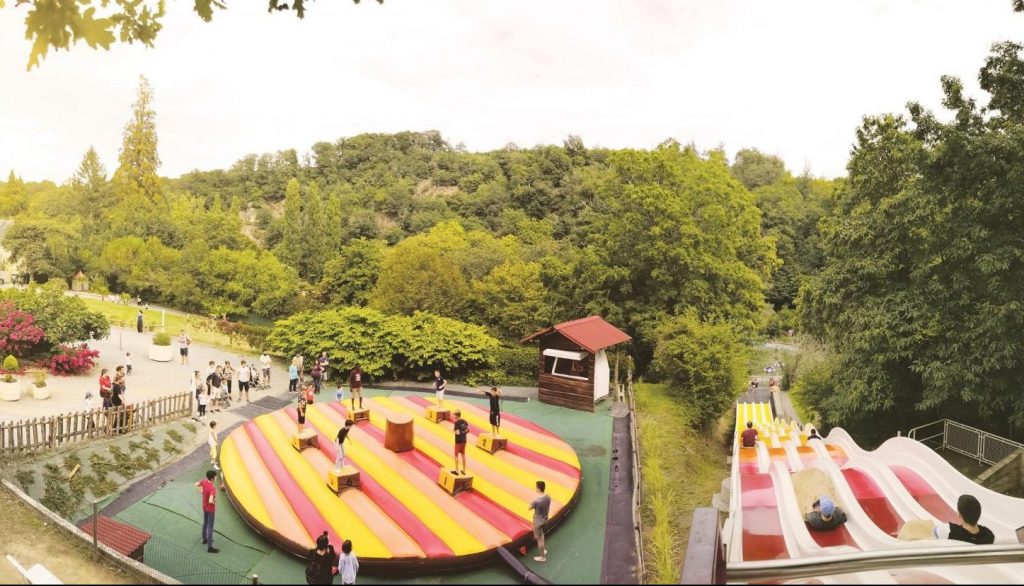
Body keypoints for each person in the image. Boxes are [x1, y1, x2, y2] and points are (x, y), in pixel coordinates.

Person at [195, 470, 219, 553]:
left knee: (205, 522)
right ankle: (210, 547)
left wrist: (202, 491)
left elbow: (197, 484)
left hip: (204, 506)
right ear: (212, 478)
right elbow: (210, 500)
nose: (216, 478)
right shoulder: (212, 488)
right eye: (215, 477)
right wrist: (213, 501)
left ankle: (204, 539)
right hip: (210, 509)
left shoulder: (204, 482)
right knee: (210, 527)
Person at [529, 480, 551, 562]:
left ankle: (542, 557)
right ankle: (543, 550)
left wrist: (533, 503)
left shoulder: (537, 501)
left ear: (538, 489)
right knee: (542, 536)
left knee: (539, 540)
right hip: (545, 519)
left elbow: (529, 508)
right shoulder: (548, 497)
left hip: (538, 521)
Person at [452, 409, 469, 475]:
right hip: (464, 440)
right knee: (463, 455)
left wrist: (454, 431)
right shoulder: (465, 421)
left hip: (458, 441)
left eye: (454, 415)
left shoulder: (456, 423)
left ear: (457, 416)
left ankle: (456, 470)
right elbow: (468, 430)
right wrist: (463, 433)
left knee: (456, 455)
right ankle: (464, 470)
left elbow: (457, 433)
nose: (454, 417)